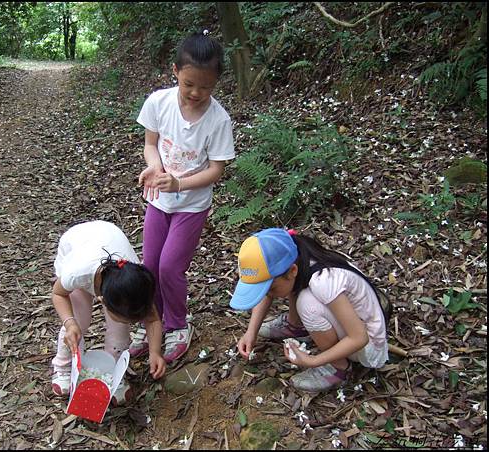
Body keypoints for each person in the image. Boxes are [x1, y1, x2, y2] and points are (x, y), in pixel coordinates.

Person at [132, 31, 235, 363]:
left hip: (191, 206)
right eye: (189, 83)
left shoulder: (218, 120)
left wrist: (178, 184)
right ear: (175, 71)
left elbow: (216, 170)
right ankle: (153, 321)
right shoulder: (159, 103)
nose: (196, 93)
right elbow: (151, 144)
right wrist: (154, 167)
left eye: (205, 87)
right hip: (158, 200)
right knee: (150, 265)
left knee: (170, 267)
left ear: (216, 83)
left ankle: (177, 324)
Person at [230, 228, 389, 392]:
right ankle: (296, 327)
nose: (269, 294)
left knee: (307, 304)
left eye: (271, 288)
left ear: (292, 271)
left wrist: (313, 360)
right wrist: (251, 332)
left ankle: (338, 368)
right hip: (353, 324)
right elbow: (267, 293)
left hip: (368, 345)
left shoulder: (323, 281)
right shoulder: (295, 255)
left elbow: (359, 338)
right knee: (299, 294)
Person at [50, 220, 166, 404]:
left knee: (120, 329)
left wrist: (154, 352)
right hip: (77, 243)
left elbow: (153, 319)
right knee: (79, 318)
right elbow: (58, 294)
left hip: (108, 240)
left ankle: (113, 370)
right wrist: (69, 322)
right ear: (103, 302)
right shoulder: (76, 273)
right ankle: (63, 365)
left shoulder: (138, 283)